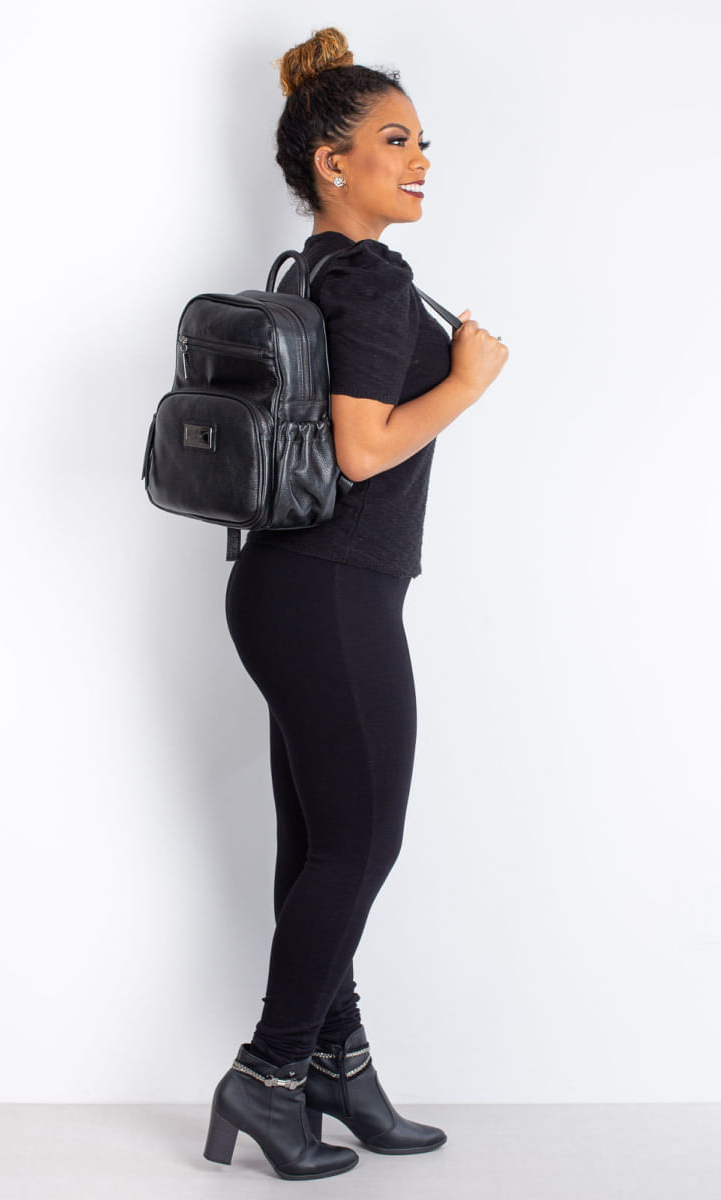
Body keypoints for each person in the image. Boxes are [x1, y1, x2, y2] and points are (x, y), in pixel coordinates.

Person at [203, 26, 509, 1183]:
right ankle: (271, 1072)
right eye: (395, 140)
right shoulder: (371, 281)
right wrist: (465, 383)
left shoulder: (311, 273)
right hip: (332, 592)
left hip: (282, 588)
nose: (419, 159)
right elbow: (363, 449)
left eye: (421, 141)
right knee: (361, 841)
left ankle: (334, 1063)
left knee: (321, 841)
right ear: (332, 163)